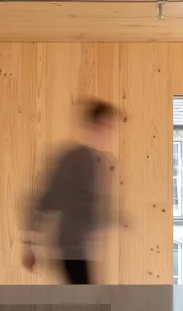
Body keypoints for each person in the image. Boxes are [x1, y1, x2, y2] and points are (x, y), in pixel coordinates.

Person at [22, 99, 119, 284]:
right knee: (84, 309)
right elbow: (46, 200)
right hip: (72, 252)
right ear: (95, 126)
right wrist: (30, 244)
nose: (110, 134)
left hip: (83, 251)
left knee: (84, 307)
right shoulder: (74, 159)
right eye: (107, 127)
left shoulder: (97, 160)